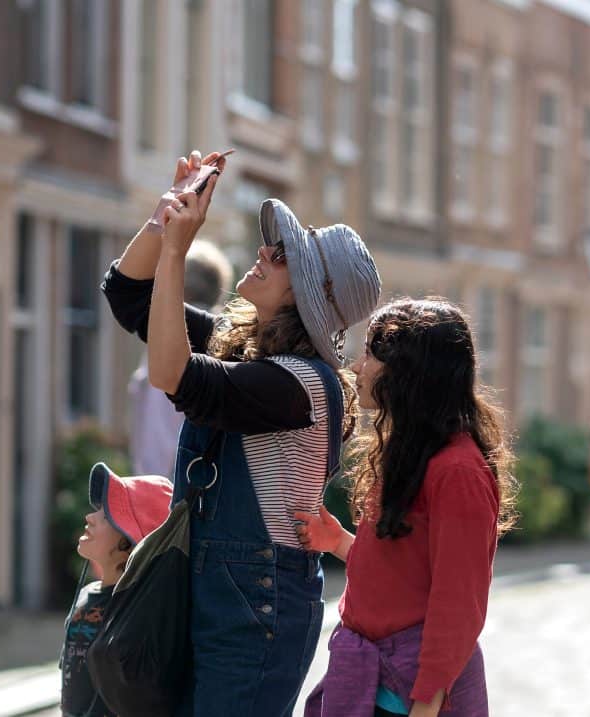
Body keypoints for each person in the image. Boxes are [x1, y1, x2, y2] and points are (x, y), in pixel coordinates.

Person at [102, 149, 381, 716]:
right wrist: (164, 217)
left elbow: (172, 374)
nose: (262, 253)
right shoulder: (248, 352)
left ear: (306, 293)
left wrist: (177, 250)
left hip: (256, 609)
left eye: (281, 256)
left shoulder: (301, 383)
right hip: (221, 593)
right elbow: (129, 296)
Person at [297, 298, 517, 717]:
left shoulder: (458, 470)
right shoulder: (412, 454)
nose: (357, 367)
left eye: (370, 355)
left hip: (412, 697)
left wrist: (426, 706)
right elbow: (403, 574)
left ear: (409, 372)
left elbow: (458, 604)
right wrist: (340, 543)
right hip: (376, 685)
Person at [59, 464, 173, 717]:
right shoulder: (85, 594)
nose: (90, 517)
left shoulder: (139, 611)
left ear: (133, 544)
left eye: (106, 516)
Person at [127, 240, 233, 477]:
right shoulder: (229, 339)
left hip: (164, 475)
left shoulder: (164, 333)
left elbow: (148, 407)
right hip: (204, 475)